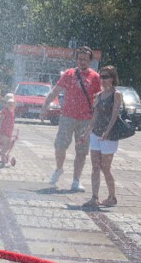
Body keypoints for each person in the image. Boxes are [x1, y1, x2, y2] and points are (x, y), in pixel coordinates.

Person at [41, 46, 101, 191]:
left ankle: (76, 180)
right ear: (76, 60)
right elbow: (56, 90)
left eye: (85, 60)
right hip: (67, 116)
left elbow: (99, 99)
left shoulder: (95, 77)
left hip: (86, 119)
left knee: (81, 151)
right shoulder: (69, 74)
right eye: (80, 59)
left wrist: (99, 117)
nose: (82, 62)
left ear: (90, 61)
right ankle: (59, 168)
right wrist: (45, 107)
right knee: (60, 146)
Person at [79, 66, 122, 208]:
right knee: (95, 167)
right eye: (101, 77)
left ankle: (112, 197)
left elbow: (114, 115)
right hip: (96, 134)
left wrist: (107, 132)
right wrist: (86, 134)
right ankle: (94, 197)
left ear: (112, 78)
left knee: (105, 168)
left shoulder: (116, 94)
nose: (103, 80)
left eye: (106, 77)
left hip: (109, 136)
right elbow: (95, 117)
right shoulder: (99, 95)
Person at [0, 97, 16, 165]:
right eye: (9, 104)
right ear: (6, 105)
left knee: (10, 144)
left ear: (14, 105)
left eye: (12, 104)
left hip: (9, 132)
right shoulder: (5, 111)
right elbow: (0, 121)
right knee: (6, 144)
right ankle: (1, 157)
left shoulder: (13, 112)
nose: (10, 106)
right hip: (3, 131)